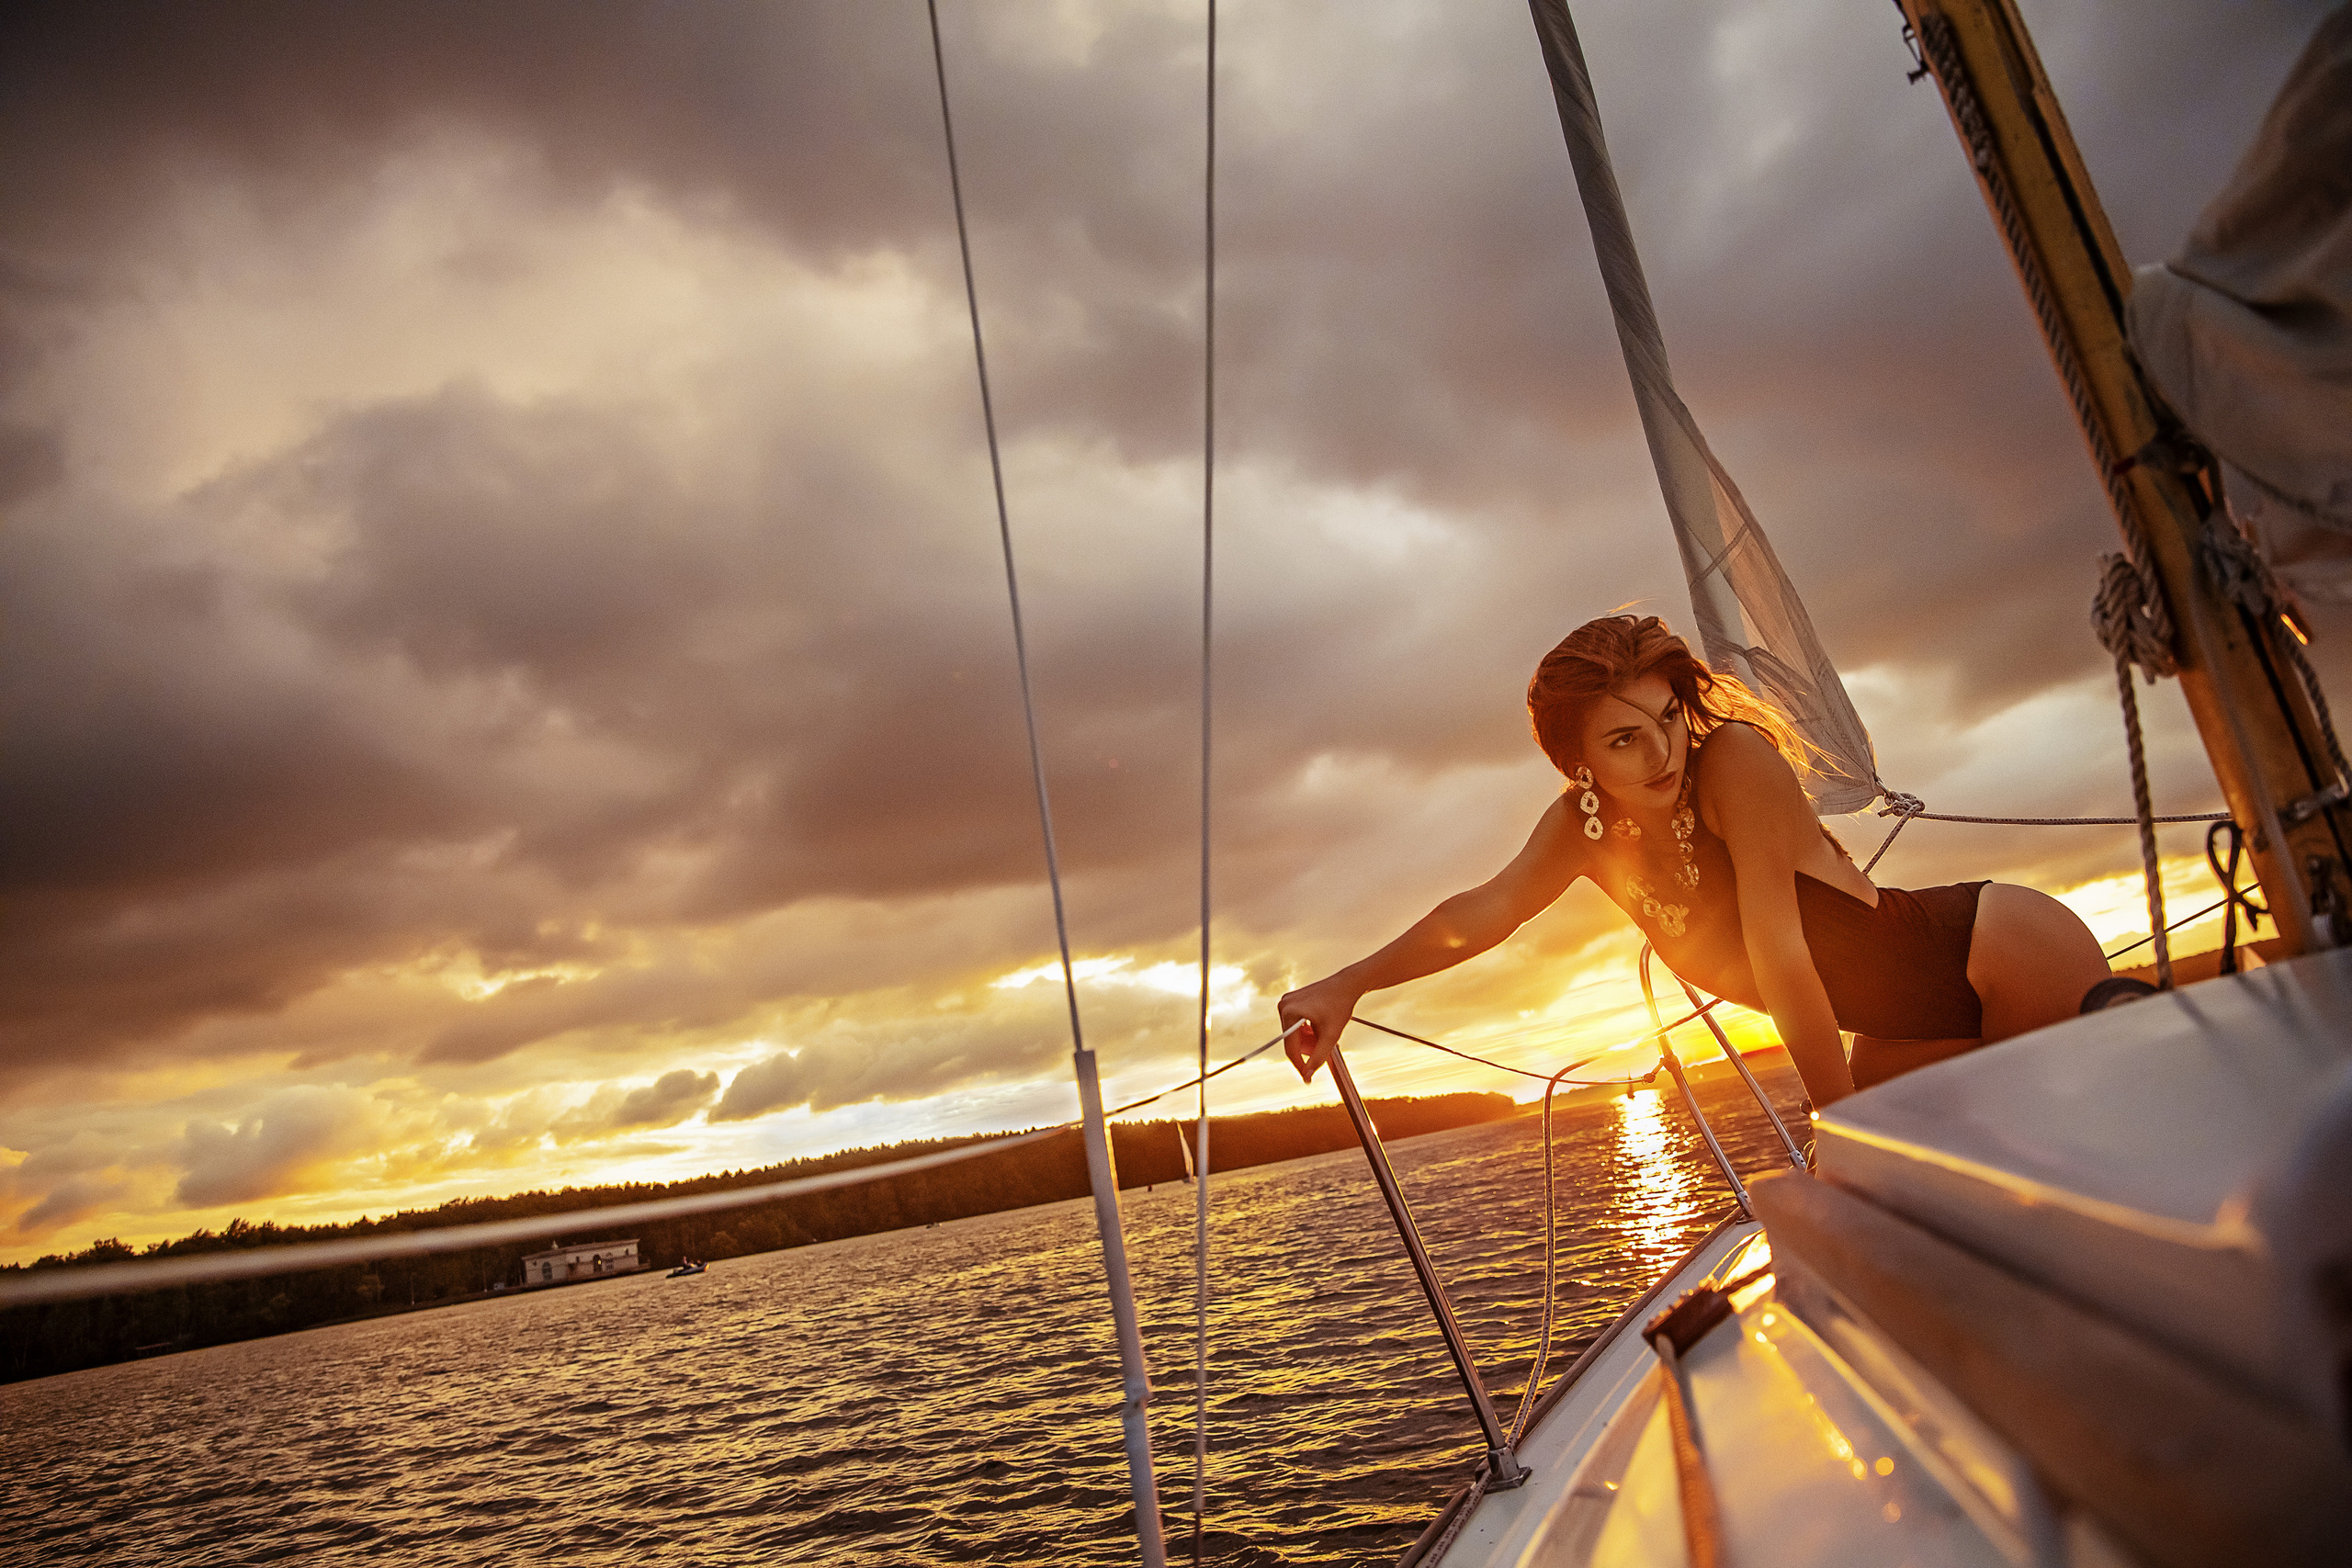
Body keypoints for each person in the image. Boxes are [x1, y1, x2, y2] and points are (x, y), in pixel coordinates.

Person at [1276, 615, 2113, 1109]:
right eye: (1623, 739)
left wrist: (1839, 1127)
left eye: (1668, 717)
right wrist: (1346, 985)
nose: (1661, 751)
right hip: (1902, 1029)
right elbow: (1484, 912)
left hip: (2001, 955)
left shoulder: (1735, 761)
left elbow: (1781, 953)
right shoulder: (1580, 829)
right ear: (1578, 761)